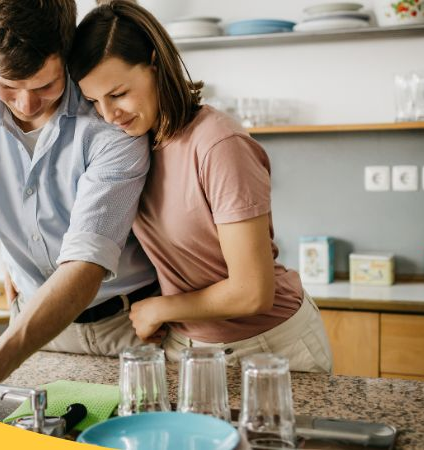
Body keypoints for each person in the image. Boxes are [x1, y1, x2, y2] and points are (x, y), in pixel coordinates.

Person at [0, 0, 159, 409]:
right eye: (8, 85)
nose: (25, 104)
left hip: (129, 327)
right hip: (32, 328)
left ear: (66, 52)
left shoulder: (110, 120)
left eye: (44, 86)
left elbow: (86, 260)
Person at [68, 1, 333, 372]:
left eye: (118, 93)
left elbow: (252, 291)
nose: (109, 115)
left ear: (157, 66)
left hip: (270, 347)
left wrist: (161, 308)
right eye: (94, 101)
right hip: (187, 349)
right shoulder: (133, 145)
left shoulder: (218, 144)